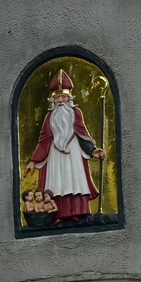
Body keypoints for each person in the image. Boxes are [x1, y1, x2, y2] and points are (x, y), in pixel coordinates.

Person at [23, 69, 106, 223]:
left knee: (74, 181)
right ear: (53, 100)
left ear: (69, 98)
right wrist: (33, 161)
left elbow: (82, 133)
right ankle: (57, 215)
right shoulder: (49, 116)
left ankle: (77, 212)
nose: (60, 101)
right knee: (57, 183)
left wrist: (93, 150)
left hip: (74, 152)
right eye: (57, 97)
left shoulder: (76, 113)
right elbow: (44, 139)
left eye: (63, 97)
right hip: (54, 154)